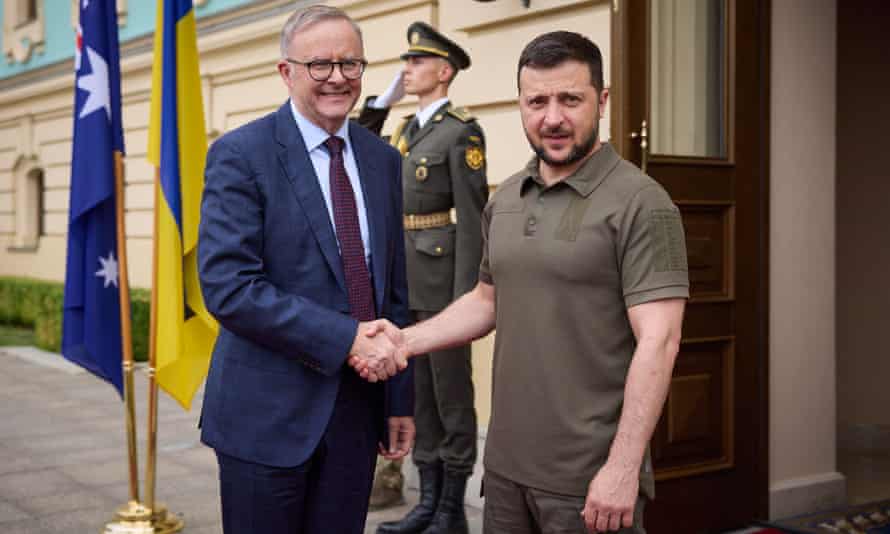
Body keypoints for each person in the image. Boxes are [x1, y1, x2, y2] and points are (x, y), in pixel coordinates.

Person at [354, 31, 689, 534]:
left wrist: (623, 469)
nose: (552, 117)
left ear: (602, 100)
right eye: (537, 101)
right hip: (507, 473)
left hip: (588, 482)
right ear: (521, 105)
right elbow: (486, 301)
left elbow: (660, 342)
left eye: (570, 99)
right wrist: (404, 339)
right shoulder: (507, 198)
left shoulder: (643, 202)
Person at [196, 6, 415, 534]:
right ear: (286, 71)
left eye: (351, 64)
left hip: (357, 418)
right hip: (265, 420)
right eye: (319, 65)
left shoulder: (382, 159)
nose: (337, 77)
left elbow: (394, 290)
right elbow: (229, 288)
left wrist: (398, 400)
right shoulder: (240, 154)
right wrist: (347, 339)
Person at [356, 21, 488, 534]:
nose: (406, 70)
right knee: (418, 397)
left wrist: (468, 299)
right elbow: (360, 141)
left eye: (416, 63)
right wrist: (382, 101)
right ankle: (427, 503)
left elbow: (475, 220)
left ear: (444, 70)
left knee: (451, 394)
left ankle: (452, 508)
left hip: (445, 283)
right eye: (406, 63)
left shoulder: (461, 132)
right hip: (405, 280)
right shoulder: (407, 131)